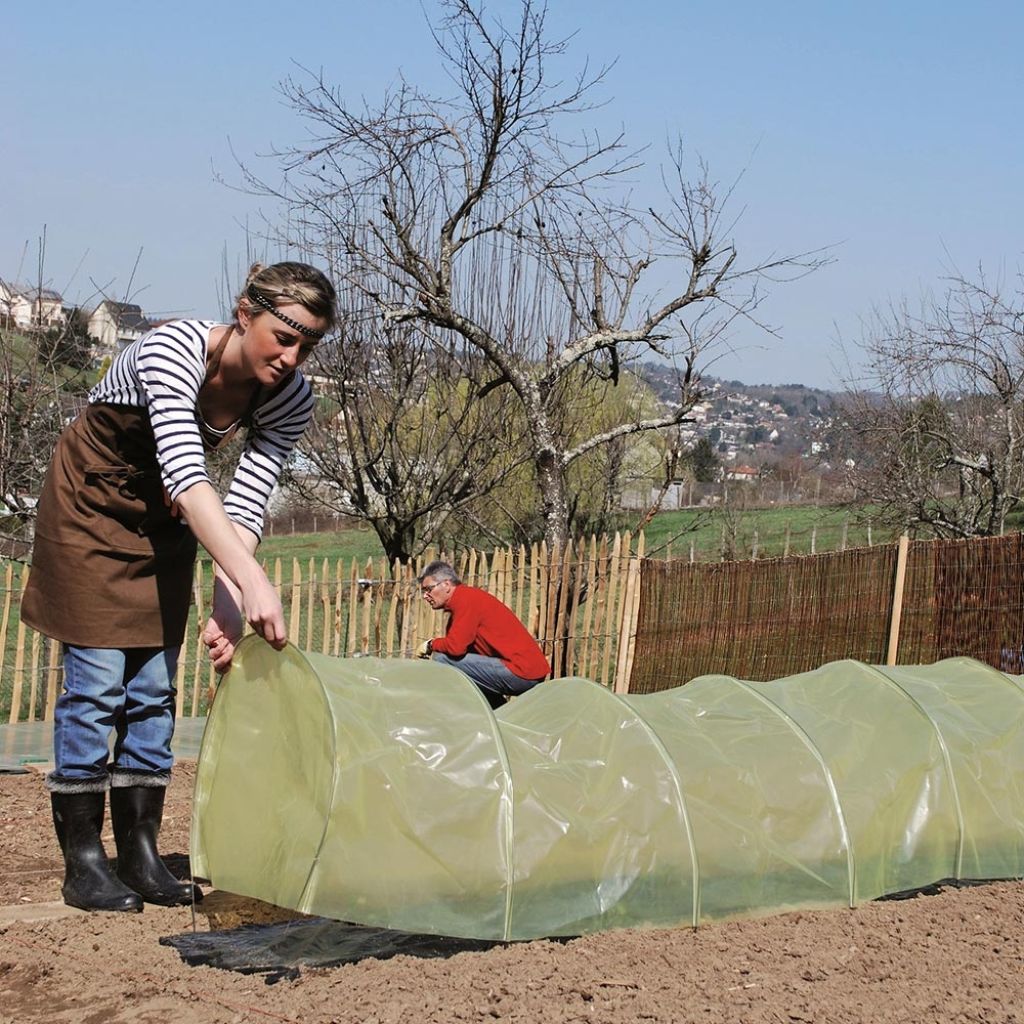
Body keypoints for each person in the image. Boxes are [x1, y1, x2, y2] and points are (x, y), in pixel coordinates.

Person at [22, 261, 336, 913]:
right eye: (284, 334)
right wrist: (251, 581)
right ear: (245, 313)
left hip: (165, 519)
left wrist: (226, 605)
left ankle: (139, 854)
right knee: (100, 683)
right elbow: (191, 475)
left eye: (308, 343)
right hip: (91, 506)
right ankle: (83, 862)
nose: (292, 355)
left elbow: (243, 506)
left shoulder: (291, 398)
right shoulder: (171, 349)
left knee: (154, 690)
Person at [416, 561, 550, 708]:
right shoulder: (465, 599)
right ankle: (499, 716)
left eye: (428, 589)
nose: (425, 596)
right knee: (457, 665)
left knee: (442, 659)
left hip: (522, 672)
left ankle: (494, 715)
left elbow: (455, 648)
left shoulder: (465, 600)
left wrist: (431, 644)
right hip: (524, 670)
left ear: (446, 585)